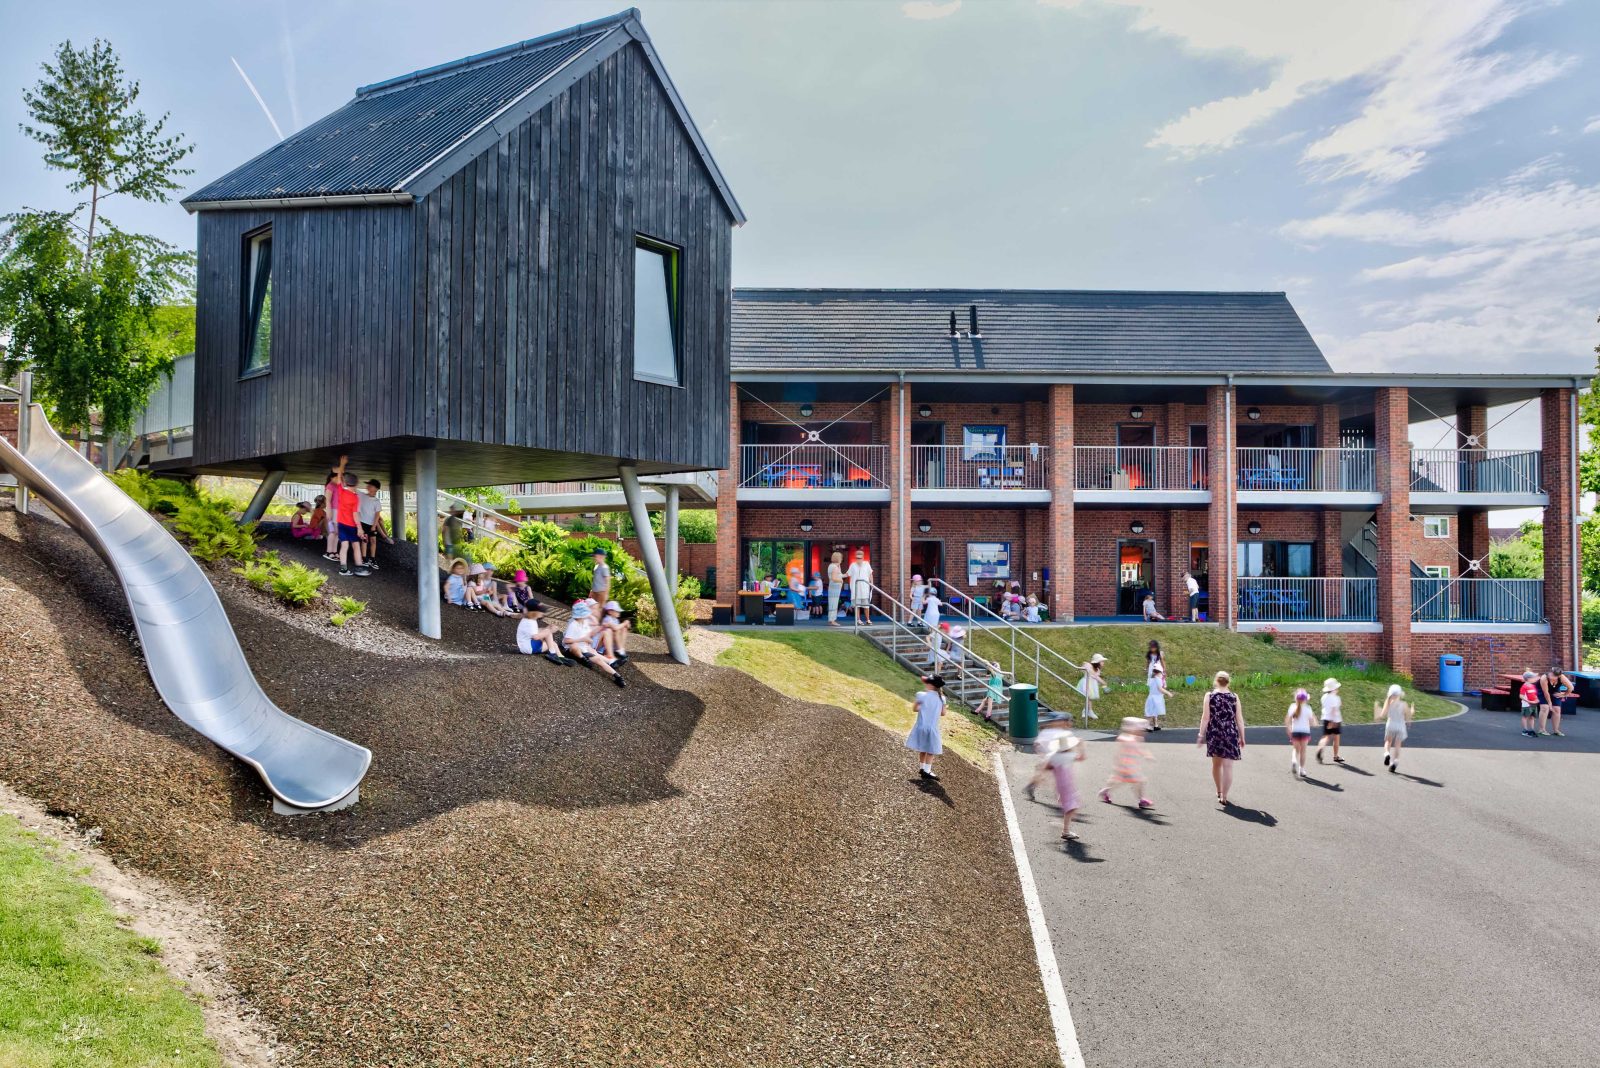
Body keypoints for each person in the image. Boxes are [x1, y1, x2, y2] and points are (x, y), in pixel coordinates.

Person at [1198, 670, 1245, 805]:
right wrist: (1242, 737)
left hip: (1215, 733)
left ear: (1216, 681)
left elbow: (1205, 718)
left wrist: (1201, 734)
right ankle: (1224, 796)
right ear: (1228, 682)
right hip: (1230, 734)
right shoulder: (1234, 697)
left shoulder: (1209, 696)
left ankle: (1219, 791)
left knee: (1216, 765)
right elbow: (1239, 720)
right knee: (1228, 767)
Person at [562, 601, 626, 688]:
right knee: (574, 646)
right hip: (571, 649)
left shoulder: (584, 623)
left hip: (583, 649)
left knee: (599, 661)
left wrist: (598, 631)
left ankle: (617, 676)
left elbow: (589, 634)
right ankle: (582, 658)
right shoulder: (573, 624)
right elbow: (566, 641)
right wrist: (583, 639)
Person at [1099, 717, 1155, 809]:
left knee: (1120, 782)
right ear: (1133, 729)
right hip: (1125, 766)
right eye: (1141, 730)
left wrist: (1147, 755)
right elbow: (1120, 752)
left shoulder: (1138, 738)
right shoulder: (1125, 739)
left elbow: (1140, 749)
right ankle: (1141, 800)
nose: (1143, 732)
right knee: (1138, 781)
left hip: (1131, 766)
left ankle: (1105, 791)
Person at [327, 458, 369, 577]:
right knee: (356, 545)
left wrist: (342, 464)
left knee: (344, 545)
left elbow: (340, 476)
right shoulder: (355, 498)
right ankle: (360, 567)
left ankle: (343, 569)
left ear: (345, 483)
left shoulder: (341, 491)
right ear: (356, 484)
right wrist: (359, 528)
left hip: (341, 524)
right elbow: (355, 514)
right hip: (351, 525)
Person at [905, 674, 946, 781]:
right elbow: (943, 713)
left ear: (931, 685)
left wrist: (924, 707)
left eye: (927, 682)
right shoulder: (942, 698)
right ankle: (927, 771)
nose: (925, 684)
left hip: (920, 726)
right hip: (932, 728)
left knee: (923, 748)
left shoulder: (921, 695)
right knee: (931, 750)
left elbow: (915, 709)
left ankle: (922, 768)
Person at [1048, 733, 1087, 842]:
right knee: (1072, 807)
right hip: (1067, 787)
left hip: (1061, 786)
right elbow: (1082, 757)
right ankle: (1065, 830)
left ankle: (1065, 826)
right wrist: (1081, 745)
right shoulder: (1068, 756)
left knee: (1073, 804)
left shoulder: (1055, 757)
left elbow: (1048, 767)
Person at [516, 601, 570, 666]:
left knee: (552, 643)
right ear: (535, 612)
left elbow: (534, 632)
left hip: (526, 646)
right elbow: (535, 637)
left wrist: (546, 629)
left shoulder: (529, 620)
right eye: (541, 611)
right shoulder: (530, 622)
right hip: (528, 648)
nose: (543, 613)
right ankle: (552, 654)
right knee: (549, 635)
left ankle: (559, 656)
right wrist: (550, 630)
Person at [358, 479, 393, 569]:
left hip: (372, 524)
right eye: (368, 485)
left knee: (373, 541)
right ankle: (364, 558)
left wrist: (374, 526)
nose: (368, 486)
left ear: (376, 488)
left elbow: (377, 515)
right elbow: (352, 488)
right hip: (363, 523)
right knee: (365, 541)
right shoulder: (361, 495)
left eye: (370, 485)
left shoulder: (376, 501)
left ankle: (372, 559)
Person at [1378, 683, 1412, 772]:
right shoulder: (1404, 704)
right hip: (1400, 726)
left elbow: (1383, 714)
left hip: (1390, 724)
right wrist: (1410, 717)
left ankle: (1386, 754)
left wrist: (1378, 713)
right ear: (1400, 694)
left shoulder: (1388, 702)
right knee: (1397, 745)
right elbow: (1408, 715)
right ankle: (1395, 762)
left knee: (1388, 742)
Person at [1285, 688, 1315, 779]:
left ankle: (1294, 761)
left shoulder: (1292, 706)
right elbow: (1312, 721)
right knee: (1303, 751)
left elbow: (1287, 720)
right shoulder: (1308, 708)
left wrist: (1289, 729)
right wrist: (1313, 723)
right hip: (1305, 732)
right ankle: (1301, 769)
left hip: (1295, 731)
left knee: (1296, 749)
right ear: (1306, 699)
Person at [1314, 678, 1345, 762]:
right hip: (1335, 720)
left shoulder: (1324, 697)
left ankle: (1320, 748)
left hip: (1325, 719)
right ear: (1334, 689)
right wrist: (1333, 721)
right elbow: (1334, 710)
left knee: (1326, 737)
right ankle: (1336, 756)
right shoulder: (1336, 698)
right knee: (1336, 738)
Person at [1539, 666, 1572, 737]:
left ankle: (1556, 730)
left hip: (1555, 692)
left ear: (1559, 676)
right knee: (1545, 707)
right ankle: (1542, 729)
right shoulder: (1544, 678)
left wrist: (1564, 694)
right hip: (1544, 692)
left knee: (1557, 709)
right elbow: (1546, 692)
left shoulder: (1562, 677)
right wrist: (1550, 704)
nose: (1552, 676)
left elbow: (1571, 687)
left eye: (1554, 676)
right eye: (1551, 674)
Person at [846, 549, 874, 625]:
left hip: (865, 588)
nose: (859, 560)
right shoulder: (853, 565)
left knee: (866, 605)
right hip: (856, 589)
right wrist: (839, 575)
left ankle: (868, 620)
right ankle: (858, 620)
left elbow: (870, 574)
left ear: (863, 557)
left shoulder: (866, 564)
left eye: (860, 558)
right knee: (857, 605)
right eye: (857, 558)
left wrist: (872, 583)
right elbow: (848, 574)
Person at [1076, 653, 1106, 721]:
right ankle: (1090, 711)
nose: (1103, 663)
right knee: (1089, 697)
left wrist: (1103, 683)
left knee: (1089, 698)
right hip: (1087, 683)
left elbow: (1096, 677)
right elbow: (1084, 667)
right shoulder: (1089, 666)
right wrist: (1103, 682)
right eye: (1102, 661)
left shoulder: (1097, 669)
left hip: (1092, 684)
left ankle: (1085, 711)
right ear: (1097, 662)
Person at [1145, 665, 1171, 732]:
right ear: (1159, 673)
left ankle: (1155, 725)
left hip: (1152, 697)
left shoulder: (1152, 679)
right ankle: (1147, 726)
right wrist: (1168, 693)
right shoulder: (1158, 679)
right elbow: (1160, 689)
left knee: (1154, 711)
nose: (1163, 675)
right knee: (1152, 712)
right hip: (1155, 698)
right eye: (1162, 673)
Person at [322, 468, 342, 557]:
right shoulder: (330, 486)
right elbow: (328, 501)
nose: (339, 479)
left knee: (337, 532)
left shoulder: (338, 485)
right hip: (332, 511)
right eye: (338, 477)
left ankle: (334, 551)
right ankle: (329, 552)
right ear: (332, 478)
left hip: (339, 511)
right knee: (332, 532)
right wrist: (329, 512)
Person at [1518, 670, 1542, 738]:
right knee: (1525, 716)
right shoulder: (1524, 686)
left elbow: (1534, 694)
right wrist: (1528, 701)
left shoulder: (1532, 686)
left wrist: (1536, 699)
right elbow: (1521, 696)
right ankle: (1525, 730)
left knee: (1532, 717)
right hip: (1527, 705)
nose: (1535, 679)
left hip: (1533, 704)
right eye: (1533, 678)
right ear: (1528, 679)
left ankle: (1532, 729)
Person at [826, 551, 845, 627]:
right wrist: (840, 581)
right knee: (834, 603)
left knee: (832, 603)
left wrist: (846, 574)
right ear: (838, 558)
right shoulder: (835, 567)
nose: (841, 559)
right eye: (841, 557)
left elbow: (839, 575)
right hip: (835, 588)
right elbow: (834, 578)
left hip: (833, 587)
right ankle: (832, 620)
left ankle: (831, 619)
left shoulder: (832, 566)